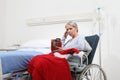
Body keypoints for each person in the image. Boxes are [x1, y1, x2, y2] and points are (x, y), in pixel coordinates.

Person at [28, 21, 92, 80]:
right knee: (37, 58)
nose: (68, 31)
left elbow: (80, 46)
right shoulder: (70, 41)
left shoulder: (80, 37)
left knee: (42, 62)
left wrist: (64, 50)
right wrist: (64, 37)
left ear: (76, 28)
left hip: (69, 58)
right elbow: (62, 47)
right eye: (67, 30)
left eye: (70, 28)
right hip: (62, 56)